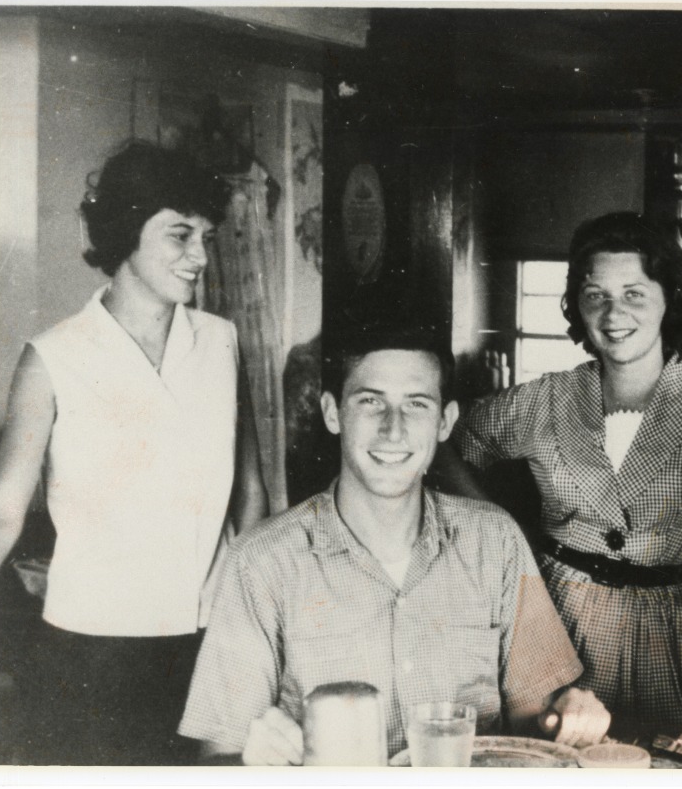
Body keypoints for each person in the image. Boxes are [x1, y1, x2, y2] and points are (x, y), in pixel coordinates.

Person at [178, 326, 611, 764]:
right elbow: (220, 753)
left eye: (416, 405)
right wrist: (250, 763)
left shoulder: (495, 541)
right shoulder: (260, 561)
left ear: (445, 421)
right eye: (370, 401)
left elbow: (535, 723)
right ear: (332, 413)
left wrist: (569, 715)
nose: (393, 428)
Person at [0, 140, 269, 765]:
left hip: (205, 646)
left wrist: (244, 622)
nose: (200, 256)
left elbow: (250, 494)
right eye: (179, 235)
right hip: (88, 656)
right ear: (124, 232)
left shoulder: (221, 343)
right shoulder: (53, 357)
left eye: (207, 236)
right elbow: (1, 513)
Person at [442, 212, 682, 738]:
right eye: (595, 295)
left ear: (669, 298)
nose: (613, 314)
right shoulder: (547, 398)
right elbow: (446, 438)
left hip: (662, 625)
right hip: (552, 617)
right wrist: (500, 526)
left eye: (634, 293)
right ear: (577, 306)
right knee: (549, 755)